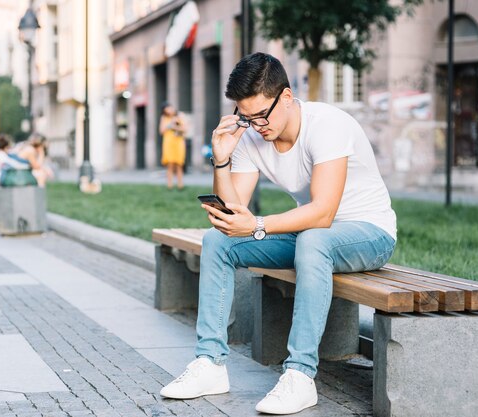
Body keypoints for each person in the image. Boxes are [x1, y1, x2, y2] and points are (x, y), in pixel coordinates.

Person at [159, 52, 397, 415]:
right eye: (247, 117)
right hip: (310, 238)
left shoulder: (328, 124)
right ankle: (210, 363)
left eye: (261, 116)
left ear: (286, 97)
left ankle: (300, 376)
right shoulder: (251, 135)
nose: (256, 126)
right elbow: (231, 212)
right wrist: (221, 159)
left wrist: (256, 224)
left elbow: (323, 212)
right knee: (217, 241)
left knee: (315, 238)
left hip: (368, 233)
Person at [159, 102, 186, 190]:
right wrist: (170, 124)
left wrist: (175, 127)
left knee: (179, 164)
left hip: (178, 142)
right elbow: (161, 131)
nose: (169, 111)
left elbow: (185, 129)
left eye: (169, 108)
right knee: (170, 164)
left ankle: (180, 185)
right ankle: (169, 185)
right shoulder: (164, 118)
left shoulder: (180, 115)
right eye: (166, 110)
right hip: (168, 143)